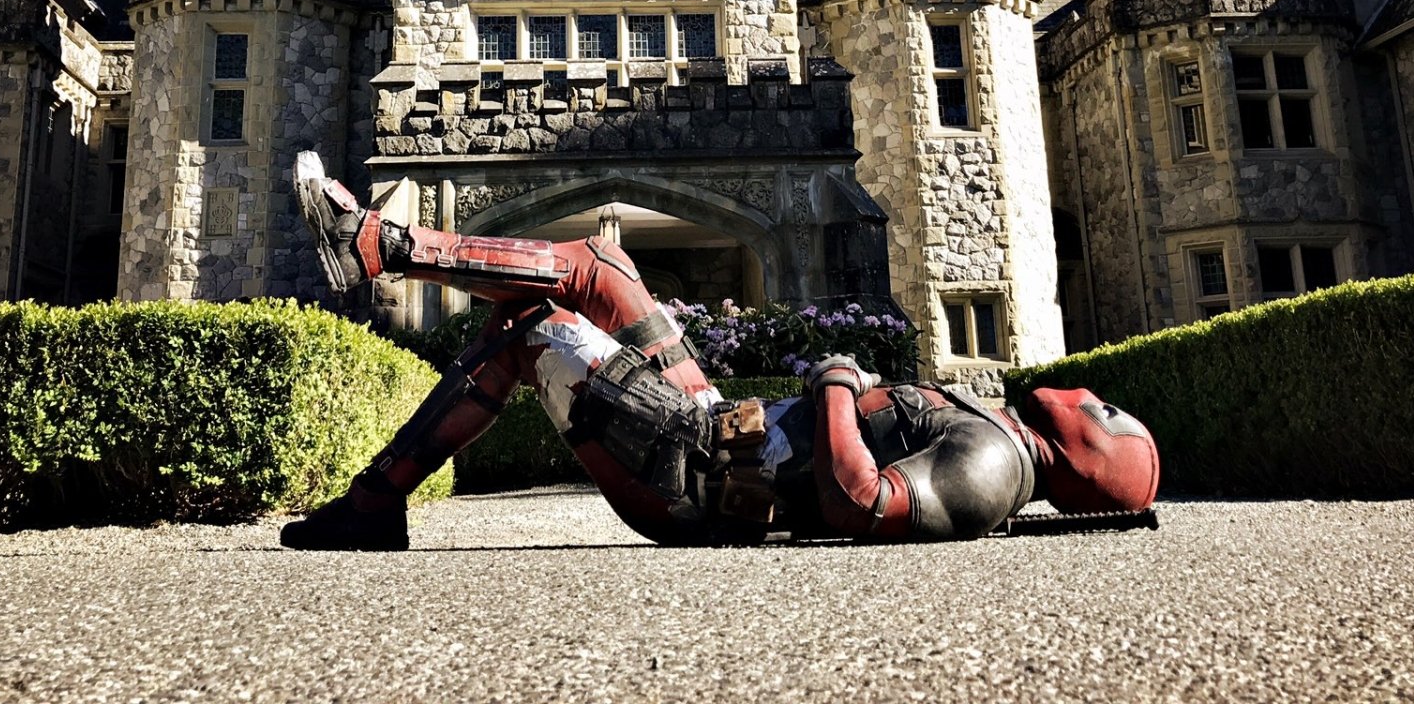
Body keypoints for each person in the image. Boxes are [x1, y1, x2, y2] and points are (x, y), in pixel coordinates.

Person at [279, 153, 1160, 551]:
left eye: (1111, 419)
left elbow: (862, 502)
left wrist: (837, 381)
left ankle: (372, 502)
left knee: (536, 329)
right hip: (708, 425)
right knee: (599, 265)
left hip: (696, 479)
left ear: (1090, 460)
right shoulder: (992, 427)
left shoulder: (993, 466)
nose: (1096, 397)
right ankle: (382, 247)